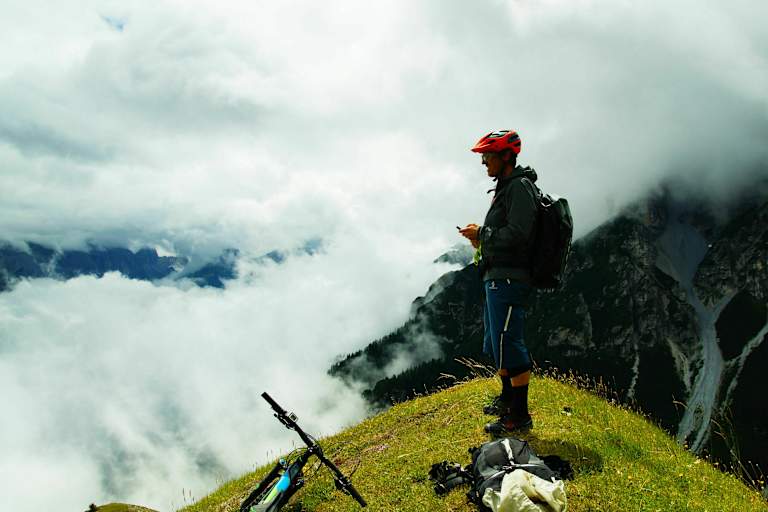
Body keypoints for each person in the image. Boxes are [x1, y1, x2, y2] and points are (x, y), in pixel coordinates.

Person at [459, 129, 539, 435]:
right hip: (497, 276)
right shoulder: (506, 187)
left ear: (506, 156)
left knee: (509, 343)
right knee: (496, 342)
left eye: (488, 156)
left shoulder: (519, 187)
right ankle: (507, 399)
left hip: (510, 278)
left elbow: (520, 235)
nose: (483, 163)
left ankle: (519, 415)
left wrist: (483, 235)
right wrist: (481, 238)